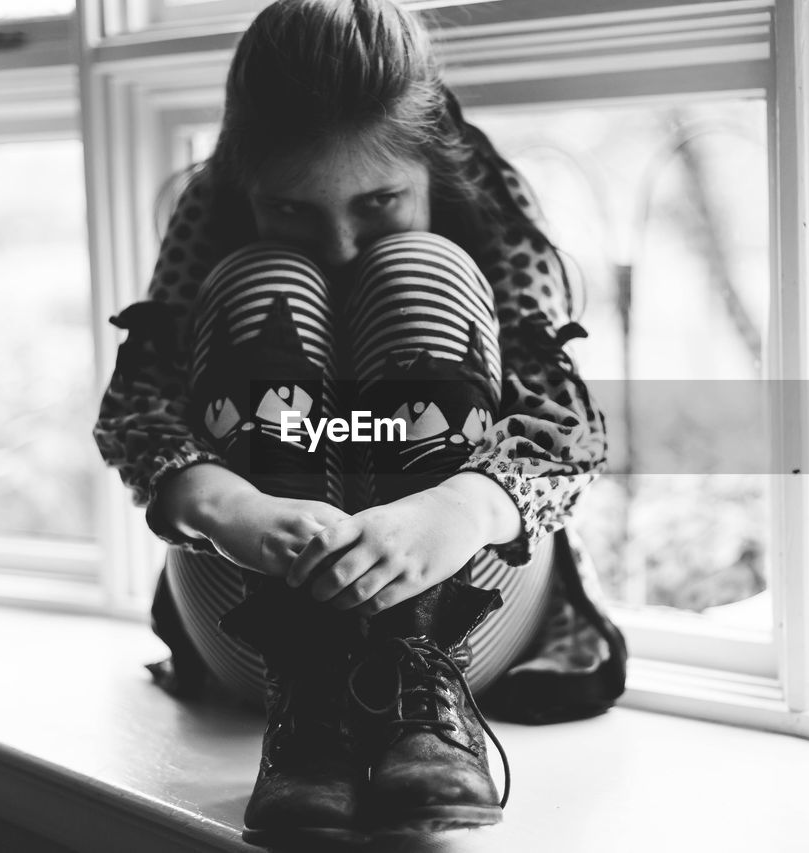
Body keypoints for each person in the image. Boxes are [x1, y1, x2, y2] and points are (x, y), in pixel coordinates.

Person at [94, 0, 626, 844]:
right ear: (246, 184)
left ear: (435, 174)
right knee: (264, 283)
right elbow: (138, 404)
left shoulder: (482, 198)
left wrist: (461, 507)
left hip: (465, 613)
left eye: (379, 201)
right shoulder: (216, 205)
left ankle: (419, 691)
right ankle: (309, 704)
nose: (339, 244)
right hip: (258, 629)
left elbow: (566, 419)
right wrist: (228, 504)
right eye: (294, 209)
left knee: (418, 271)